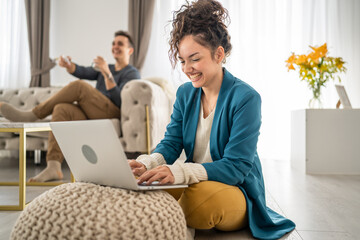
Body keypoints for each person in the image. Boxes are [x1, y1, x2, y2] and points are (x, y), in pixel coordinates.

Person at [128, 1, 295, 239]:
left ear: (219, 54)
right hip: (195, 180)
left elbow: (236, 167)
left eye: (194, 59)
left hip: (235, 188)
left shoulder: (246, 98)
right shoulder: (186, 93)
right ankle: (171, 215)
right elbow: (172, 143)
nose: (187, 68)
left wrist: (180, 173)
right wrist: (147, 163)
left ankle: (173, 218)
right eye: (183, 60)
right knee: (144, 184)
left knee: (196, 201)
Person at [0, 30, 140, 182]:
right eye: (113, 43)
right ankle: (53, 167)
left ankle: (32, 114)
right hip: (92, 112)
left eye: (120, 43)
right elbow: (82, 71)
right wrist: (69, 65)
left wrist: (107, 73)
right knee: (61, 108)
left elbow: (120, 101)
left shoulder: (132, 73)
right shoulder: (107, 67)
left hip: (111, 112)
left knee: (79, 86)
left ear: (130, 50)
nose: (115, 46)